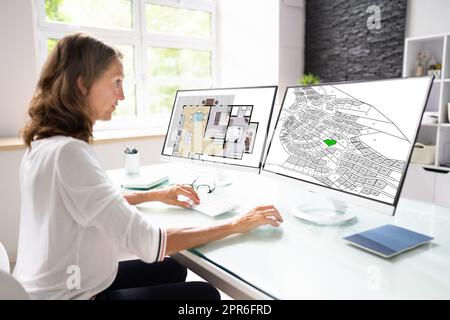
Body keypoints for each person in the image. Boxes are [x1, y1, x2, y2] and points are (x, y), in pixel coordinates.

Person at [13, 32, 283, 300]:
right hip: (71, 296)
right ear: (82, 85)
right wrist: (237, 223)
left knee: (173, 266)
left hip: (59, 283)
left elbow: (91, 203)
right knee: (205, 294)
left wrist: (153, 195)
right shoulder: (70, 153)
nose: (121, 96)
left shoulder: (45, 144)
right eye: (116, 82)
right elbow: (152, 243)